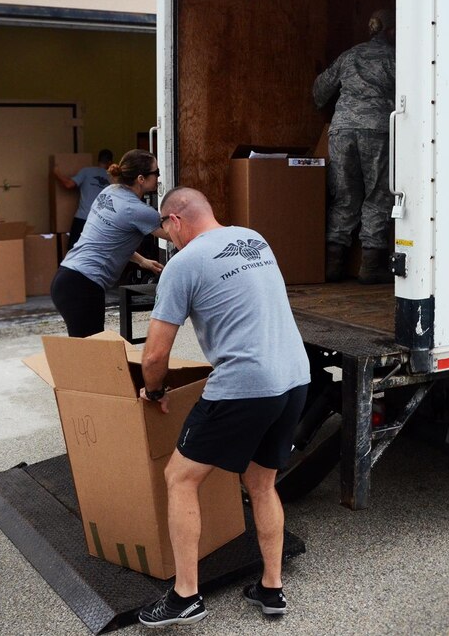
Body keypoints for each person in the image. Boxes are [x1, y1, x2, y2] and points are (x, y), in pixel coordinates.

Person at [136, 187, 310, 628]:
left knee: (179, 477)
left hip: (246, 384)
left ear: (175, 221)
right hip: (293, 377)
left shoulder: (184, 264)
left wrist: (153, 391)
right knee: (262, 483)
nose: (169, 241)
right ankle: (271, 588)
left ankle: (184, 597)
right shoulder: (254, 239)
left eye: (166, 231)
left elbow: (154, 356)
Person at [313, 8, 396, 284]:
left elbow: (320, 91)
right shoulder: (395, 57)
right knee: (378, 194)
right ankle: (370, 267)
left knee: (345, 196)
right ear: (392, 31)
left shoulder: (350, 55)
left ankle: (333, 266)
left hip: (342, 129)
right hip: (377, 129)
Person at [50, 149, 169, 338]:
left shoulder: (109, 192)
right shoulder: (139, 211)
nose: (159, 177)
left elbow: (110, 238)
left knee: (85, 351)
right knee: (91, 355)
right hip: (84, 287)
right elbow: (176, 235)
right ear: (141, 178)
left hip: (66, 278)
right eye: (156, 173)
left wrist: (141, 261)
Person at [54, 148, 114, 250]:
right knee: (95, 251)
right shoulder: (112, 178)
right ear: (110, 163)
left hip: (82, 218)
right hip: (100, 221)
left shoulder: (86, 171)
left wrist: (57, 173)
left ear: (98, 160)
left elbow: (68, 184)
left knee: (73, 250)